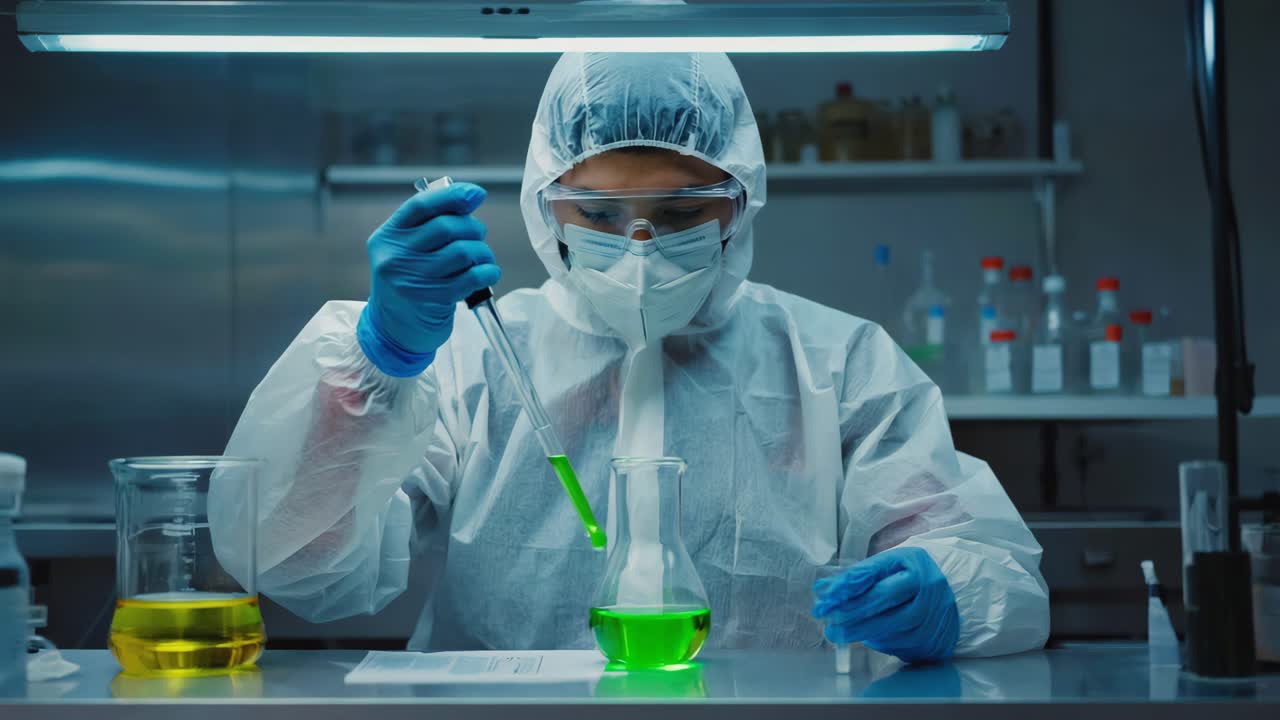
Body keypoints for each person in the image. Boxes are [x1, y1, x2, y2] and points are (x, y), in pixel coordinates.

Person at [212, 52, 1048, 662]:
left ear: (738, 204)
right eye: (601, 215)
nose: (641, 248)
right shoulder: (474, 358)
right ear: (549, 209)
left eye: (681, 211)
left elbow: (994, 568)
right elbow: (297, 564)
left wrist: (943, 592)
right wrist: (380, 364)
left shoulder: (839, 363)